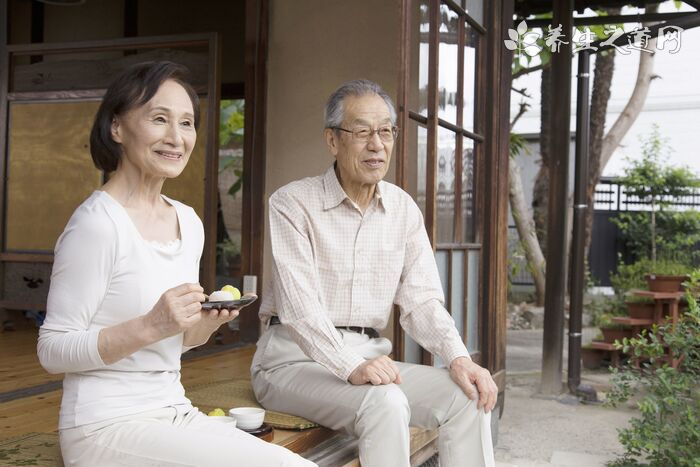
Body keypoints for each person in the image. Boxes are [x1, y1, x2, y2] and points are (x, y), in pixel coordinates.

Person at [37, 61, 315, 467]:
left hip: (173, 410)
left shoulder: (188, 221)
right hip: (104, 425)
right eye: (159, 119)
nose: (176, 137)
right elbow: (52, 351)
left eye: (186, 123)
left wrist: (206, 323)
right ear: (116, 127)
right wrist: (152, 323)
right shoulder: (97, 225)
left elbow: (175, 343)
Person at [251, 79, 498, 467]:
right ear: (332, 140)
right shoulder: (292, 202)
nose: (376, 144)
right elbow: (300, 309)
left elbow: (422, 303)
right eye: (362, 131)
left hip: (369, 356)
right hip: (290, 362)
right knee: (385, 400)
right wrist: (351, 365)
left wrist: (458, 357)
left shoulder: (403, 209)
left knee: (466, 395)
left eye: (385, 131)